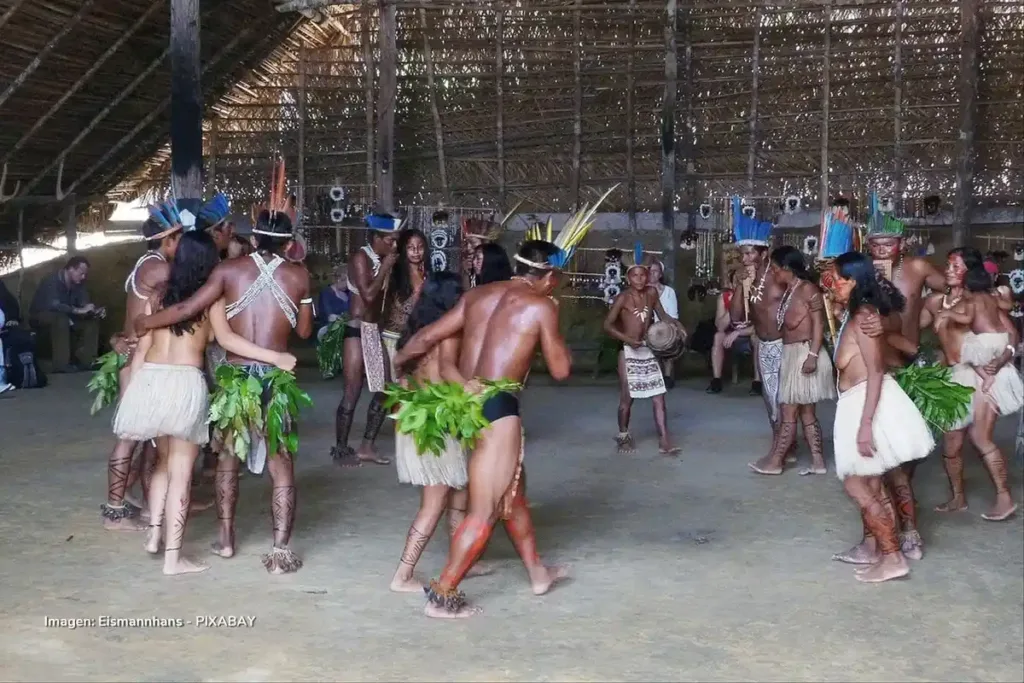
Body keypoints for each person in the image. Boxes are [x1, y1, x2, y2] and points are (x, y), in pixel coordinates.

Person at [392, 239, 578, 618]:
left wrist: (397, 362)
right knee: (484, 509)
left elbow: (426, 337)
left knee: (514, 491)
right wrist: (554, 330)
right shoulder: (541, 305)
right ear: (549, 276)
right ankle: (443, 595)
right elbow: (561, 370)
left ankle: (537, 572)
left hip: (466, 409)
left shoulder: (477, 296)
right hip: (497, 407)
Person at [132, 202, 315, 573]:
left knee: (228, 460)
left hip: (236, 379)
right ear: (287, 242)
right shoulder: (299, 276)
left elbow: (187, 309)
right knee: (282, 466)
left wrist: (146, 324)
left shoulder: (229, 270)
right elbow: (305, 332)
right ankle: (280, 550)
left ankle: (227, 540)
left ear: (257, 235)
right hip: (275, 377)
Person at [828, 251, 934, 583]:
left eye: (837, 279)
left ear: (853, 281)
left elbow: (876, 371)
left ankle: (892, 557)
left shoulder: (863, 316)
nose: (832, 285)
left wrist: (864, 425)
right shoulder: (856, 314)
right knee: (872, 483)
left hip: (866, 404)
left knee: (858, 484)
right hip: (856, 402)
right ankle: (882, 552)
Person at [389, 271, 484, 592]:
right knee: (434, 502)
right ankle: (402, 575)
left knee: (459, 493)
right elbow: (445, 371)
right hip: (435, 423)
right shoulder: (450, 330)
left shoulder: (418, 332)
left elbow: (402, 365)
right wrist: (469, 387)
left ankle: (463, 561)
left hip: (420, 416)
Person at [922, 247, 1020, 521]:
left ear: (970, 270)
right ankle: (958, 498)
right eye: (948, 265)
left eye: (956, 266)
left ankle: (1004, 497)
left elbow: (1010, 334)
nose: (949, 270)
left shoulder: (980, 298)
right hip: (953, 376)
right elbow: (913, 330)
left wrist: (1002, 360)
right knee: (951, 446)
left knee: (981, 438)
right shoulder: (934, 302)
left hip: (979, 376)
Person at [101, 213, 183, 530]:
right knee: (130, 436)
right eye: (180, 239)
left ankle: (143, 504)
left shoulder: (146, 263)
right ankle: (114, 511)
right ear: (169, 239)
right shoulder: (159, 268)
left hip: (138, 356)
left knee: (146, 437)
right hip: (139, 360)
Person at [749, 246, 835, 475]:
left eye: (776, 269)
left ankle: (776, 462)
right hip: (793, 353)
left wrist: (813, 355)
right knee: (806, 412)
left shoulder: (808, 289)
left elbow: (819, 324)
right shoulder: (791, 290)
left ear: (787, 268)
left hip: (805, 353)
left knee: (788, 411)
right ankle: (818, 462)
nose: (774, 274)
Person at [331, 214, 401, 467]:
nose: (394, 246)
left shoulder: (379, 258)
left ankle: (366, 446)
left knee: (385, 390)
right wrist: (385, 268)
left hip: (372, 331)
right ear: (377, 238)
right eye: (390, 241)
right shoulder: (361, 258)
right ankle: (341, 449)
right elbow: (369, 295)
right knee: (352, 392)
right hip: (356, 330)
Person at [603, 244, 685, 455]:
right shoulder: (622, 298)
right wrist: (627, 339)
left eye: (643, 275)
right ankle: (623, 436)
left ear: (647, 276)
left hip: (648, 348)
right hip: (628, 351)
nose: (639, 279)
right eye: (635, 275)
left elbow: (663, 315)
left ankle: (665, 439)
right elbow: (607, 325)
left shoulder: (651, 293)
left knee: (659, 396)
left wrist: (676, 325)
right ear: (628, 278)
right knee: (626, 398)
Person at [726, 198, 789, 452]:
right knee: (770, 397)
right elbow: (736, 316)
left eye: (750, 252)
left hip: (786, 343)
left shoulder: (779, 277)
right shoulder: (746, 280)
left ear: (764, 253)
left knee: (787, 399)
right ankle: (779, 442)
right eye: (742, 253)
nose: (745, 258)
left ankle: (787, 445)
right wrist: (741, 286)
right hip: (764, 345)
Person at [863, 193, 945, 351]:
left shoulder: (917, 267)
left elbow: (952, 290)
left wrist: (929, 308)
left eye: (888, 244)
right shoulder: (861, 270)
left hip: (909, 353)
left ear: (901, 245)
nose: (881, 250)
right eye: (875, 245)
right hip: (872, 353)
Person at [29, 255, 104, 373]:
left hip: (67, 316)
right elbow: (54, 305)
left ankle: (88, 361)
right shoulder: (51, 280)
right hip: (41, 316)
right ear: (70, 269)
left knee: (91, 321)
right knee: (61, 319)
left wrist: (93, 311)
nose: (83, 277)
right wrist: (78, 311)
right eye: (81, 273)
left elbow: (83, 303)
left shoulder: (79, 283)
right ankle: (61, 364)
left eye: (85, 274)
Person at [706, 278, 760, 395]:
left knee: (757, 338)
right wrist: (732, 307)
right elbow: (720, 326)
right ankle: (716, 380)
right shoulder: (724, 297)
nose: (740, 285)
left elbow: (760, 327)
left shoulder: (756, 296)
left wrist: (738, 333)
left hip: (748, 335)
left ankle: (757, 383)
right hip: (729, 337)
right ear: (731, 284)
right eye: (737, 282)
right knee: (718, 336)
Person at [648, 259, 679, 386]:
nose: (652, 274)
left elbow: (673, 315)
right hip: (647, 327)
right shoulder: (642, 291)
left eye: (655, 271)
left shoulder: (669, 292)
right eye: (649, 271)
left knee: (669, 337)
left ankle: (667, 376)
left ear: (660, 275)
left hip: (665, 326)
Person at [316, 261, 351, 340]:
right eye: (347, 282)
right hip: (328, 332)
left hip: (346, 330)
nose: (349, 285)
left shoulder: (348, 293)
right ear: (339, 279)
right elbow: (329, 316)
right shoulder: (326, 293)